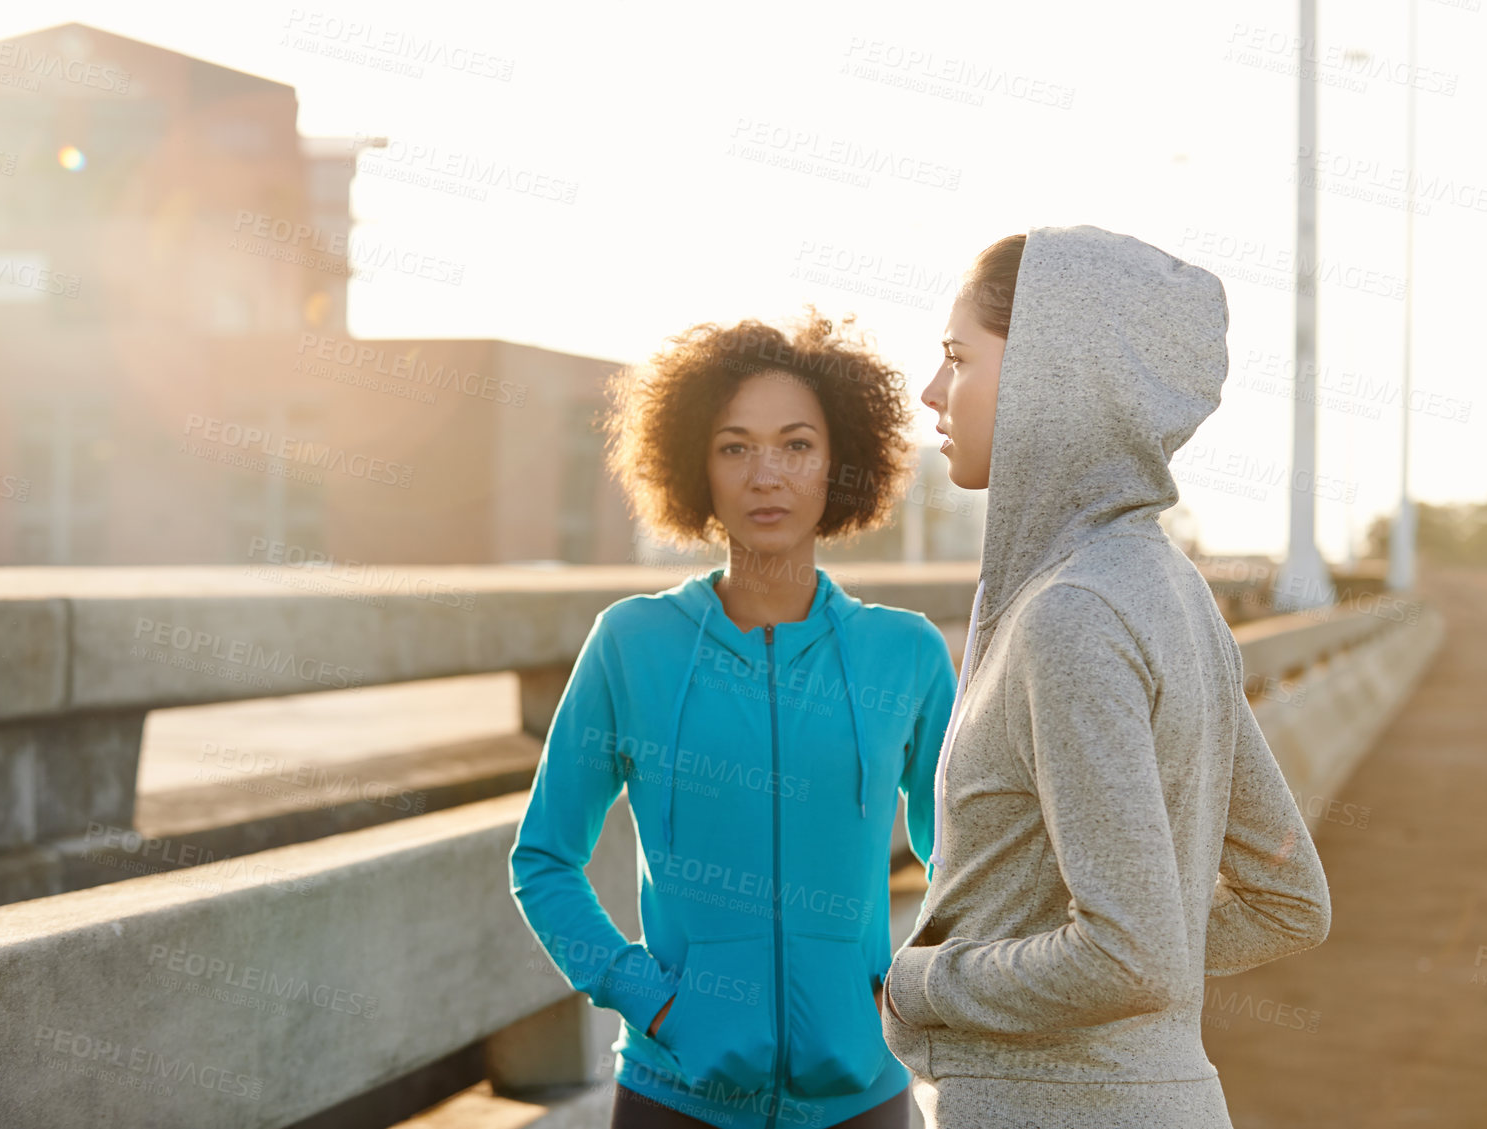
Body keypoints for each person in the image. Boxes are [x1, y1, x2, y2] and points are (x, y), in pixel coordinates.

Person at [880, 225, 1333, 1128]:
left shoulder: (1071, 614)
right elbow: (1290, 903)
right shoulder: (1171, 590)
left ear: (1055, 371)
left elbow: (1134, 957)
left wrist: (925, 978)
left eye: (957, 358)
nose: (931, 393)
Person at [509, 308, 959, 1129]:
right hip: (673, 1096)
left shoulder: (906, 654)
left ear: (839, 463)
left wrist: (900, 988)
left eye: (797, 444)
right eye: (734, 446)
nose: (767, 475)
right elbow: (543, 858)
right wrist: (654, 1003)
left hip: (863, 1098)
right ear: (697, 467)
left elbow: (963, 858)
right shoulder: (632, 644)